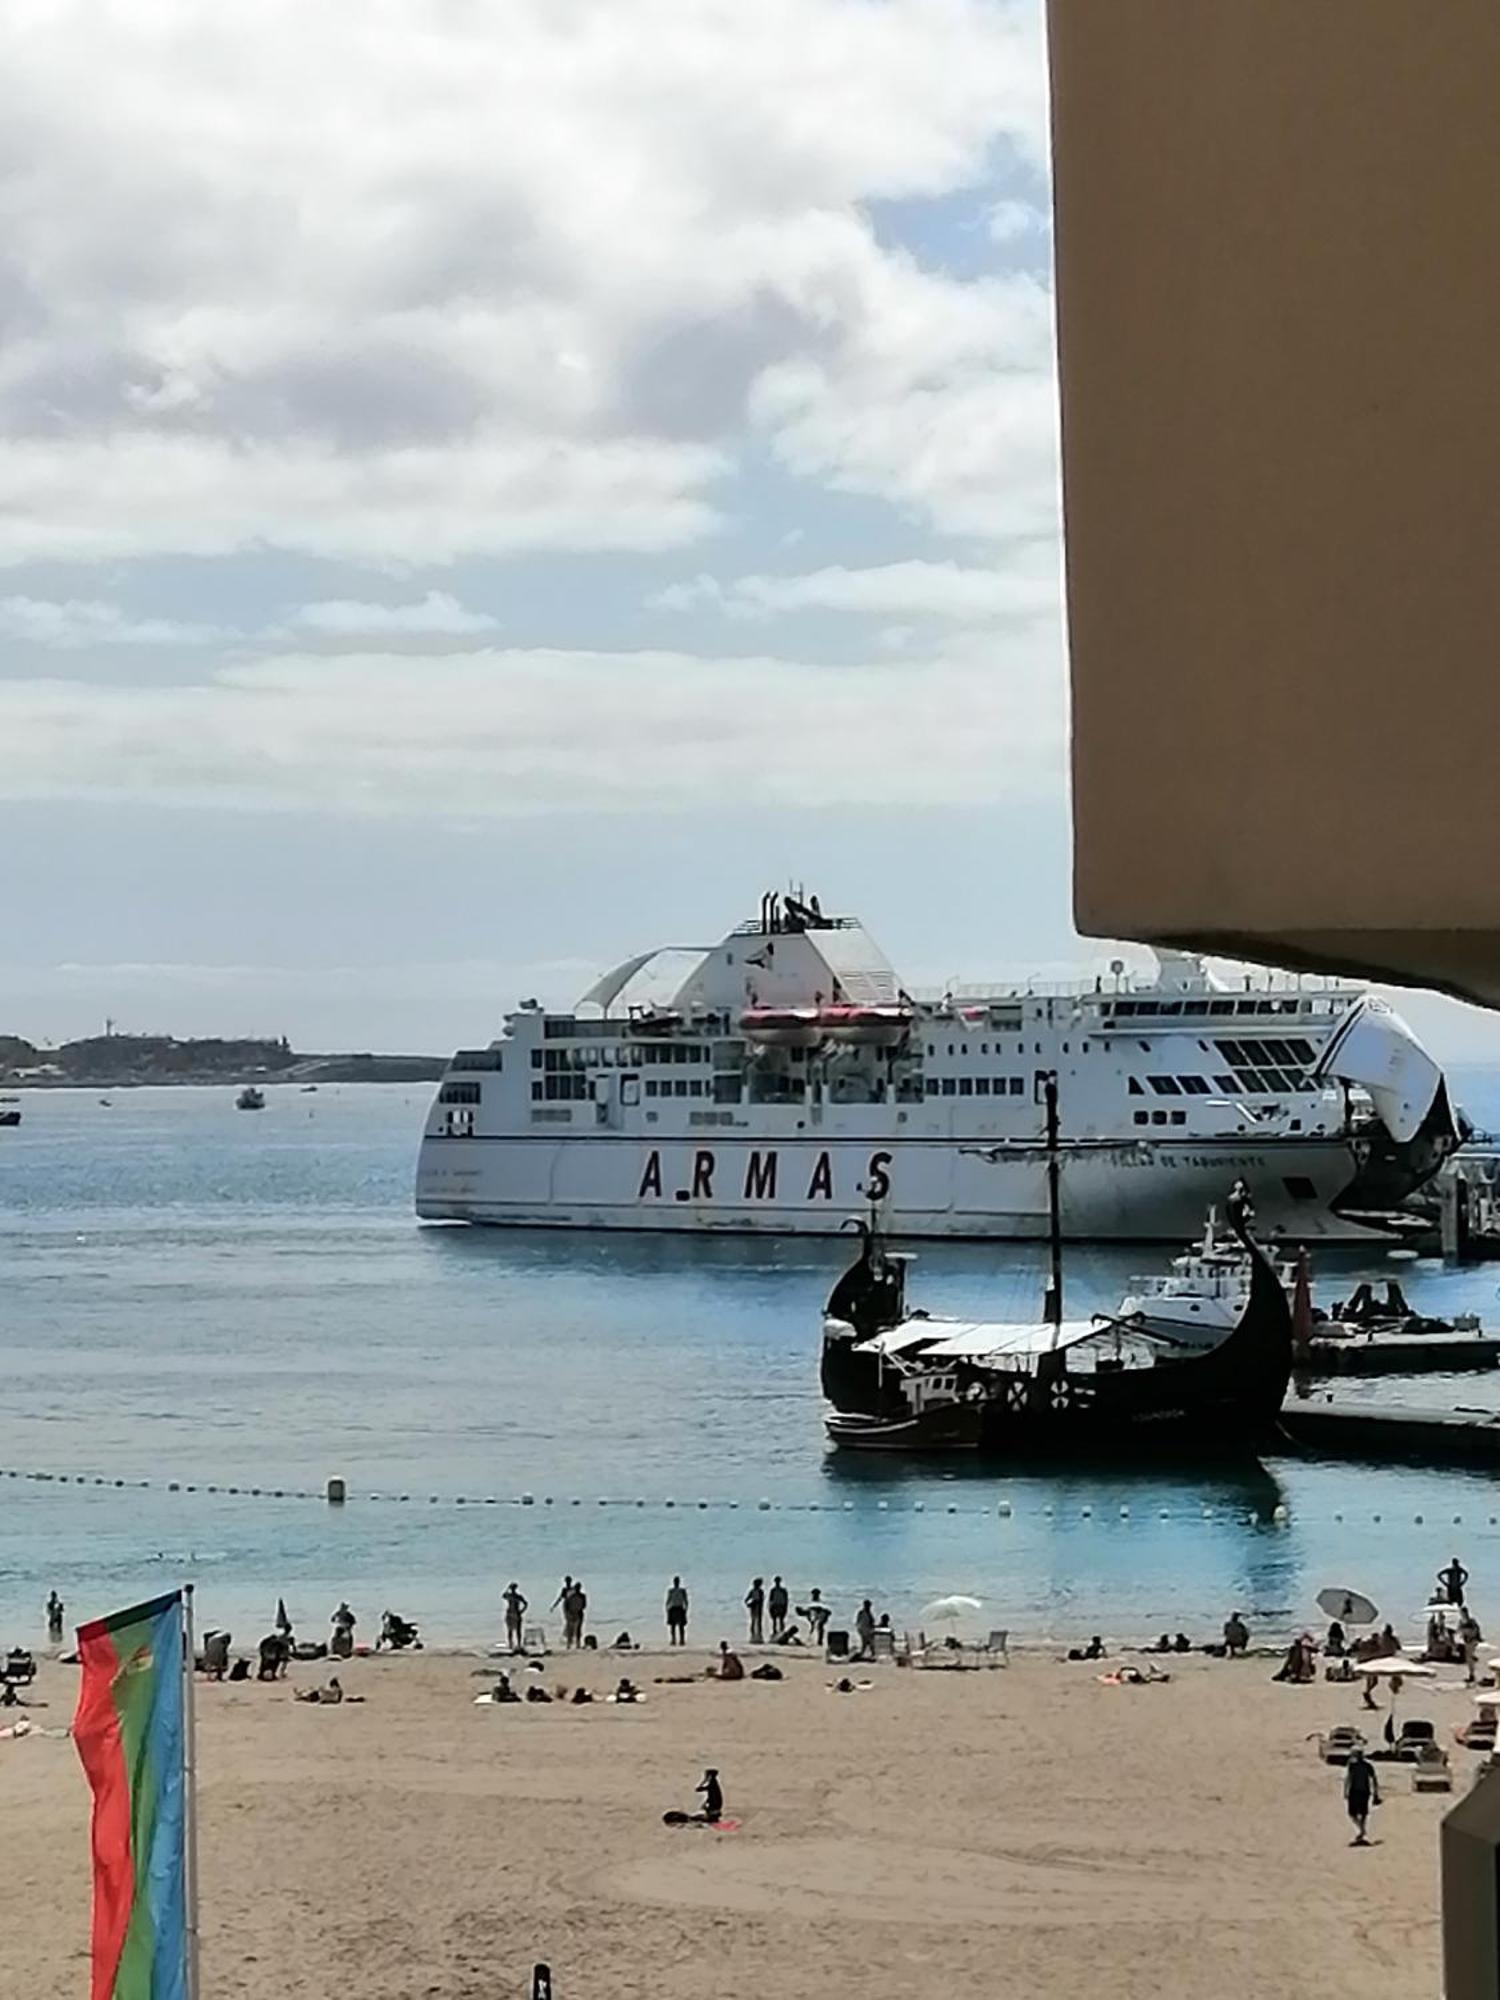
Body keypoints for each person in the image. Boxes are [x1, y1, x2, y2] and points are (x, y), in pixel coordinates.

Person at [1344, 1748, 1380, 1845]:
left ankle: (1361, 1831)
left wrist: (1345, 1790)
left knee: (1357, 1813)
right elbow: (1349, 1778)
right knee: (1357, 1813)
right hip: (1361, 1791)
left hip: (1359, 1791)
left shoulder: (1359, 1766)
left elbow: (1348, 1779)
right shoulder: (1361, 1766)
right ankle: (1362, 1830)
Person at [1460, 1609, 1484, 1684]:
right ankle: (1471, 1673)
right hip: (1467, 1641)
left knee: (1469, 1657)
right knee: (1468, 1658)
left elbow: (1476, 1630)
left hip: (1472, 1641)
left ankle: (1472, 1674)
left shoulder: (1471, 1621)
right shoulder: (1461, 1622)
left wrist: (1472, 1636)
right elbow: (1460, 1631)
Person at [503, 1583, 527, 1652]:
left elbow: (526, 1604)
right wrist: (507, 1588)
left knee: (517, 1630)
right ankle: (511, 1644)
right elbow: (503, 1595)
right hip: (510, 1613)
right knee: (510, 1630)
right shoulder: (509, 1595)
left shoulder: (518, 1596)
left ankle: (518, 1644)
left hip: (515, 1613)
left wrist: (521, 1611)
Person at [665, 1576, 689, 1647]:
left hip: (679, 1608)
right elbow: (668, 1600)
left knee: (681, 1626)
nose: (676, 1583)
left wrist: (686, 1608)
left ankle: (682, 1640)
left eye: (677, 1581)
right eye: (675, 1581)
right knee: (673, 1626)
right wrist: (667, 1608)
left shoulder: (682, 1590)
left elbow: (685, 1600)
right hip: (673, 1608)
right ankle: (673, 1640)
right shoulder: (671, 1591)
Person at [564, 1580, 587, 1650]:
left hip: (578, 1613)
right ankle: (569, 1644)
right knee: (570, 1630)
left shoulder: (581, 1596)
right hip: (572, 1613)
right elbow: (566, 1605)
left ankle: (577, 1644)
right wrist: (568, 1613)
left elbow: (584, 1605)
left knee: (577, 1630)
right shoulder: (571, 1596)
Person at [768, 1576, 790, 1641]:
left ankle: (781, 1632)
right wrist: (770, 1608)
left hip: (781, 1606)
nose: (777, 1583)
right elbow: (770, 1600)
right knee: (774, 1621)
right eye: (776, 1581)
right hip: (775, 1606)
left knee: (781, 1620)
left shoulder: (783, 1590)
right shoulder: (773, 1590)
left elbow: (786, 1600)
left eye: (778, 1581)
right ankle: (774, 1633)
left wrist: (785, 1608)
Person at [745, 1577, 765, 1645]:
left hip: (758, 1607)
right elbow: (746, 1599)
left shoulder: (760, 1591)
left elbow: (761, 1600)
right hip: (753, 1607)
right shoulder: (752, 1591)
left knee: (758, 1622)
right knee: (753, 1621)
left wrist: (755, 1602)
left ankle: (759, 1635)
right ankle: (753, 1635)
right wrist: (749, 1604)